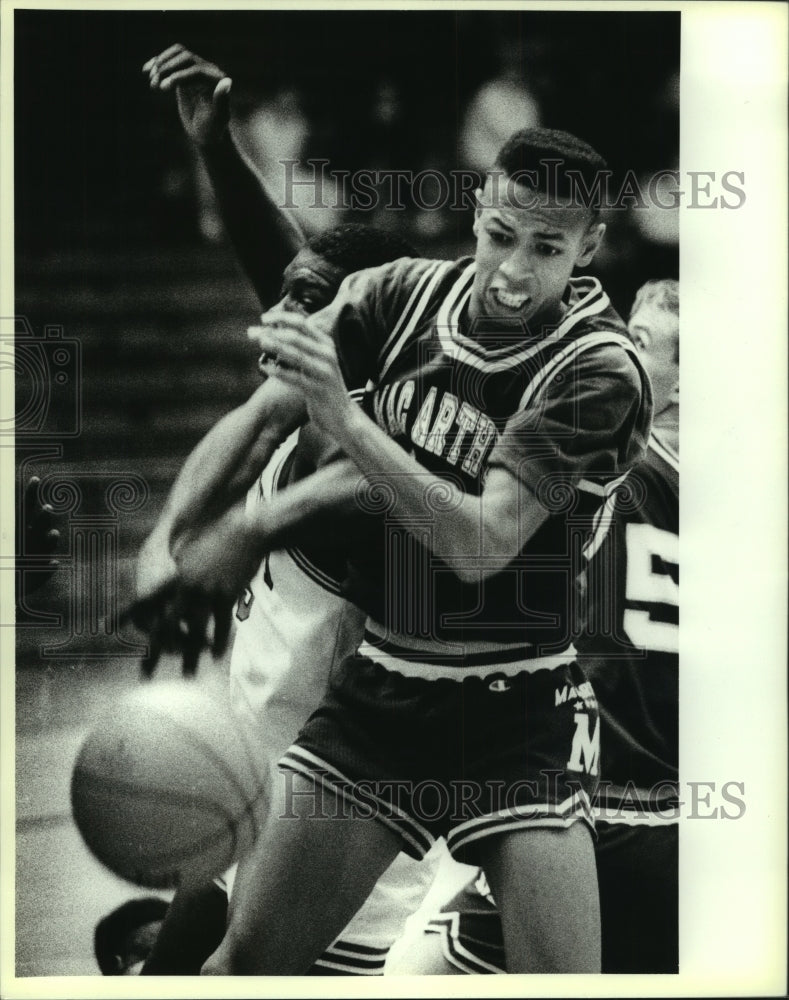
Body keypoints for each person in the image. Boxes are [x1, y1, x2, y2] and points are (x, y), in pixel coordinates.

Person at [171, 126, 653, 974]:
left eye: (546, 248)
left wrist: (349, 421)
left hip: (521, 708)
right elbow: (258, 422)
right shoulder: (395, 294)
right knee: (242, 963)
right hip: (382, 690)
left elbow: (481, 542)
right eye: (502, 236)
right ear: (477, 212)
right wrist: (177, 542)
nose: (513, 270)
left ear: (588, 246)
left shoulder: (597, 371)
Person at [106, 46, 446, 978]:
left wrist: (240, 528)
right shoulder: (311, 389)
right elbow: (294, 272)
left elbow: (364, 489)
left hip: (335, 845)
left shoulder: (382, 459)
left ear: (359, 339)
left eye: (300, 311)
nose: (271, 320)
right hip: (244, 786)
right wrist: (216, 150)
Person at [383, 278, 679, 975]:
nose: (612, 353)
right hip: (696, 834)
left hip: (599, 810)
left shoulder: (600, 464)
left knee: (407, 971)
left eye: (637, 344)